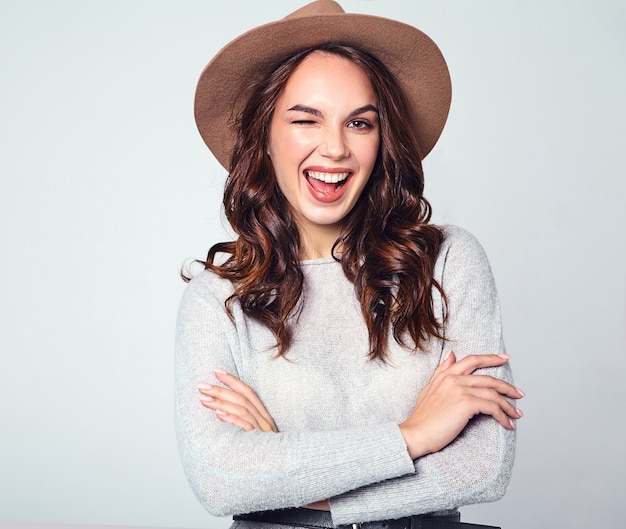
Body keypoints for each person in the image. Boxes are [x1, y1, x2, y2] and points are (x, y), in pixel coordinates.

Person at [175, 2, 524, 528]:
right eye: (305, 120)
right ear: (264, 137)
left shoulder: (448, 262)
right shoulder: (217, 298)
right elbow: (223, 481)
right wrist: (413, 436)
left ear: (382, 140)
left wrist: (294, 479)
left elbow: (481, 467)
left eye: (359, 123)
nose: (335, 148)